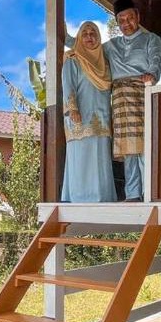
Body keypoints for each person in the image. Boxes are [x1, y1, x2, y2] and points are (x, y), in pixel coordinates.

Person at [103, 0, 161, 201]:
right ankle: (132, 194)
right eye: (121, 20)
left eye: (129, 18)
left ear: (137, 16)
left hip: (141, 92)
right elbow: (89, 52)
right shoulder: (110, 45)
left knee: (145, 143)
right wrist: (66, 39)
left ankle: (149, 192)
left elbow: (156, 60)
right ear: (117, 23)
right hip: (120, 97)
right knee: (128, 147)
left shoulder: (151, 39)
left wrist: (152, 74)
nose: (126, 23)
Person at [60, 21, 116, 203]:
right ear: (79, 38)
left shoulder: (105, 63)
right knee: (81, 157)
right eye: (85, 34)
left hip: (102, 117)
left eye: (93, 33)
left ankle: (102, 198)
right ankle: (79, 198)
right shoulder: (73, 59)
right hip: (80, 116)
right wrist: (72, 108)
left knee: (100, 158)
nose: (89, 37)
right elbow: (68, 85)